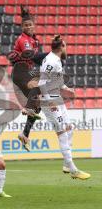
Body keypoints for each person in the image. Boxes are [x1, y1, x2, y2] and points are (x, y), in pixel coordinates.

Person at [38, 34, 91, 179]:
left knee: (69, 128)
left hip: (57, 97)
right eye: (66, 46)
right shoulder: (50, 61)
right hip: (50, 100)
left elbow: (57, 81)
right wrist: (50, 101)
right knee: (61, 132)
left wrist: (67, 88)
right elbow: (41, 83)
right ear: (61, 47)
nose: (67, 49)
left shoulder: (56, 60)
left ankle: (67, 164)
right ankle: (73, 170)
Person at [8, 5, 47, 151]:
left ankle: (25, 134)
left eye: (31, 24)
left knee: (38, 106)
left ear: (34, 26)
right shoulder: (23, 40)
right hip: (20, 72)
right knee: (37, 89)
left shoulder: (33, 39)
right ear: (22, 27)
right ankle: (27, 108)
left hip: (26, 72)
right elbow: (31, 55)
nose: (29, 26)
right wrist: (49, 56)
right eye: (26, 25)